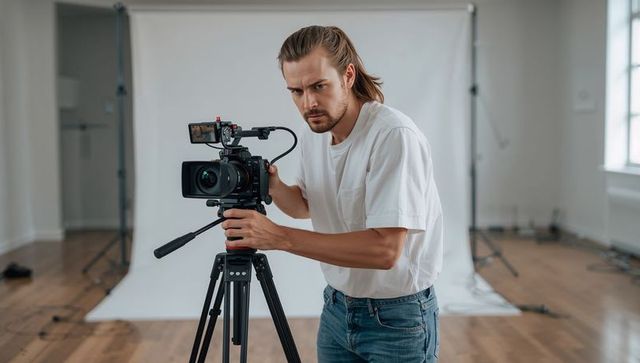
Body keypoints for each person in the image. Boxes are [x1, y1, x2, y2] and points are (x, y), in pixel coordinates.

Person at [221, 25, 443, 362]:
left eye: (318, 86)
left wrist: (278, 237)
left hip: (398, 319)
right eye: (296, 91)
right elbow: (305, 206)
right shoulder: (316, 131)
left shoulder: (393, 136)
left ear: (348, 75)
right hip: (337, 309)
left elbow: (385, 250)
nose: (308, 102)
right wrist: (274, 186)